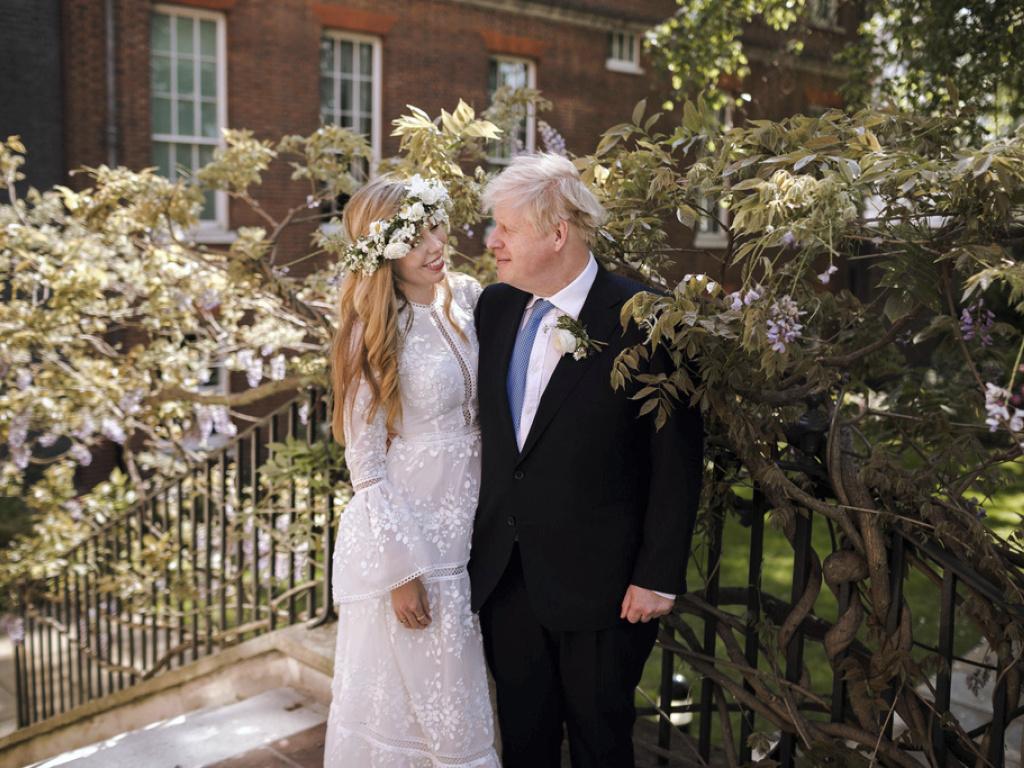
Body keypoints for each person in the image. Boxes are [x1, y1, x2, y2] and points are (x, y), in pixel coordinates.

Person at [469, 153, 705, 768]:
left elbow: (677, 459)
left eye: (506, 229)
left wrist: (657, 576)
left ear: (557, 234)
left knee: (602, 744)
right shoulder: (494, 309)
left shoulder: (647, 319)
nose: (492, 242)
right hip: (506, 578)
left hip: (606, 590)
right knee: (524, 743)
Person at [324, 174, 499, 768]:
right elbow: (367, 464)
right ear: (383, 251)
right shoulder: (372, 330)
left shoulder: (469, 297)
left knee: (474, 685)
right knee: (431, 699)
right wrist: (402, 571)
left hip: (479, 519)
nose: (435, 245)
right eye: (415, 237)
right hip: (416, 537)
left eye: (435, 227)